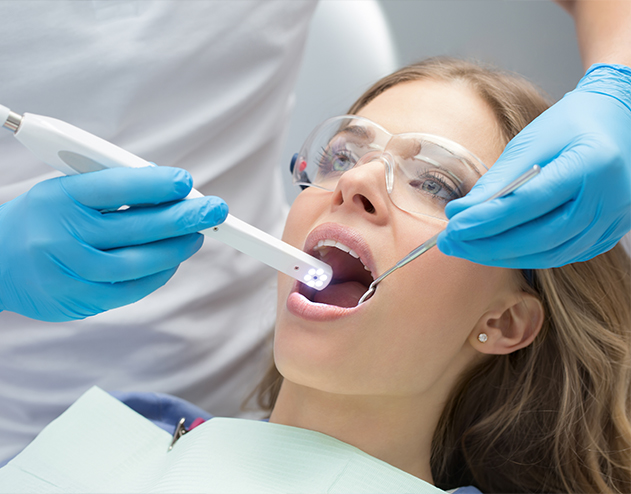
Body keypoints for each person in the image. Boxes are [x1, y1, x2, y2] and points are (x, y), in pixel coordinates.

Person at [1, 0, 630, 465]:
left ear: (506, 322)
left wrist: (622, 86)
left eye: (435, 183)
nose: (356, 183)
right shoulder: (124, 438)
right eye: (344, 154)